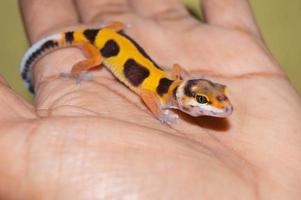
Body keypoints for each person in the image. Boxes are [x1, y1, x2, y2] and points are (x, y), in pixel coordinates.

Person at [0, 0, 300, 198]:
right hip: (103, 44)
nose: (220, 106)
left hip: (112, 35)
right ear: (188, 98)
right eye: (207, 101)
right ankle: (78, 62)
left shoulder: (176, 85)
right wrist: (160, 115)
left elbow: (178, 73)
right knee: (92, 62)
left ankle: (109, 32)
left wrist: (182, 79)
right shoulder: (161, 92)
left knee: (113, 36)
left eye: (216, 98)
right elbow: (145, 92)